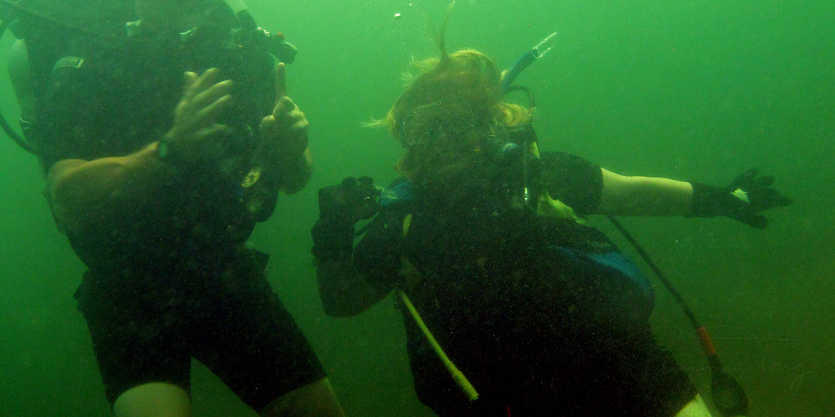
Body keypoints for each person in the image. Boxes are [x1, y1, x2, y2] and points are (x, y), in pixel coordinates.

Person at [311, 34, 791, 417]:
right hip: (505, 402)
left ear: (488, 123)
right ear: (408, 141)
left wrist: (728, 200)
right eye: (426, 127)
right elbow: (343, 301)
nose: (444, 139)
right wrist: (331, 236)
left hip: (628, 372)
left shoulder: (538, 176)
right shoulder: (399, 221)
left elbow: (634, 193)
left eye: (456, 121)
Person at [13, 0, 345, 417]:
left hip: (222, 271)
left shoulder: (240, 53)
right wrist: (169, 151)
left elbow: (297, 177)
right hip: (128, 284)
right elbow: (67, 200)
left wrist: (288, 153)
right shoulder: (91, 59)